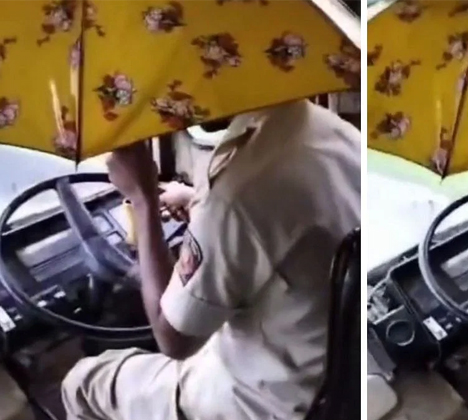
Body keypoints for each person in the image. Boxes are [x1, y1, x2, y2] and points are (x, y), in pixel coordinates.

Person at [61, 99, 361, 420]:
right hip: (322, 374)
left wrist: (143, 198)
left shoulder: (235, 196)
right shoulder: (325, 127)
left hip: (258, 400)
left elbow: (172, 339)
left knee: (81, 383)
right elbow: (287, 214)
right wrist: (198, 202)